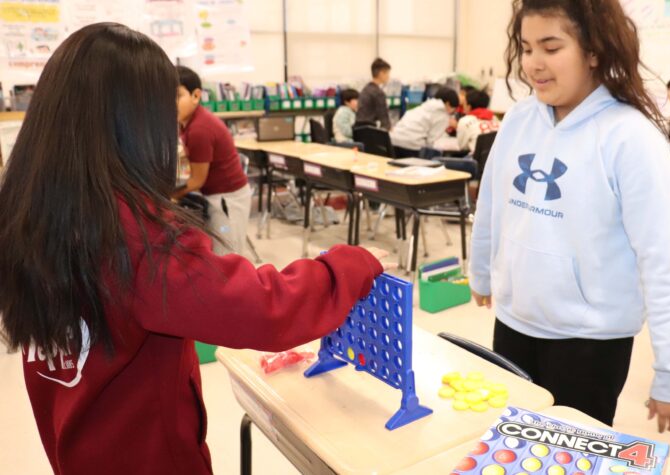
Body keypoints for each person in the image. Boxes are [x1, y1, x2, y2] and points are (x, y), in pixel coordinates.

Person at [0, 23, 392, 474]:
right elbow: (263, 307)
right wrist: (347, 264)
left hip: (76, 444)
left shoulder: (32, 209)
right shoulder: (137, 236)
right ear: (137, 123)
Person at [469, 0, 670, 431]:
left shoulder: (630, 136)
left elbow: (663, 258)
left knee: (569, 456)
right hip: (514, 321)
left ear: (593, 50)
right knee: (512, 446)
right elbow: (492, 206)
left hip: (590, 342)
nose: (534, 64)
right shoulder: (519, 120)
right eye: (527, 47)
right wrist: (481, 272)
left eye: (551, 48)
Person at [174, 65, 251, 255]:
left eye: (177, 96)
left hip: (227, 200)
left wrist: (169, 195)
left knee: (227, 256)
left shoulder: (200, 129)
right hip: (214, 196)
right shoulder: (185, 122)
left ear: (196, 96)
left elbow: (197, 180)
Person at [389, 87, 460, 158]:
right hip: (411, 146)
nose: (453, 112)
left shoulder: (425, 105)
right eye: (453, 109)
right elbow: (431, 141)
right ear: (448, 104)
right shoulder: (443, 116)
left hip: (393, 141)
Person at [456, 89, 501, 154]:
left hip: (476, 162)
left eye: (464, 103)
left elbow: (462, 147)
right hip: (496, 159)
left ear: (469, 106)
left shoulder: (464, 121)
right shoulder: (496, 119)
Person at [356, 58, 392, 130]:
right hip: (372, 132)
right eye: (387, 73)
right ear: (381, 73)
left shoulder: (365, 90)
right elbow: (384, 118)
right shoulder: (378, 93)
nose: (389, 76)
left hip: (359, 131)